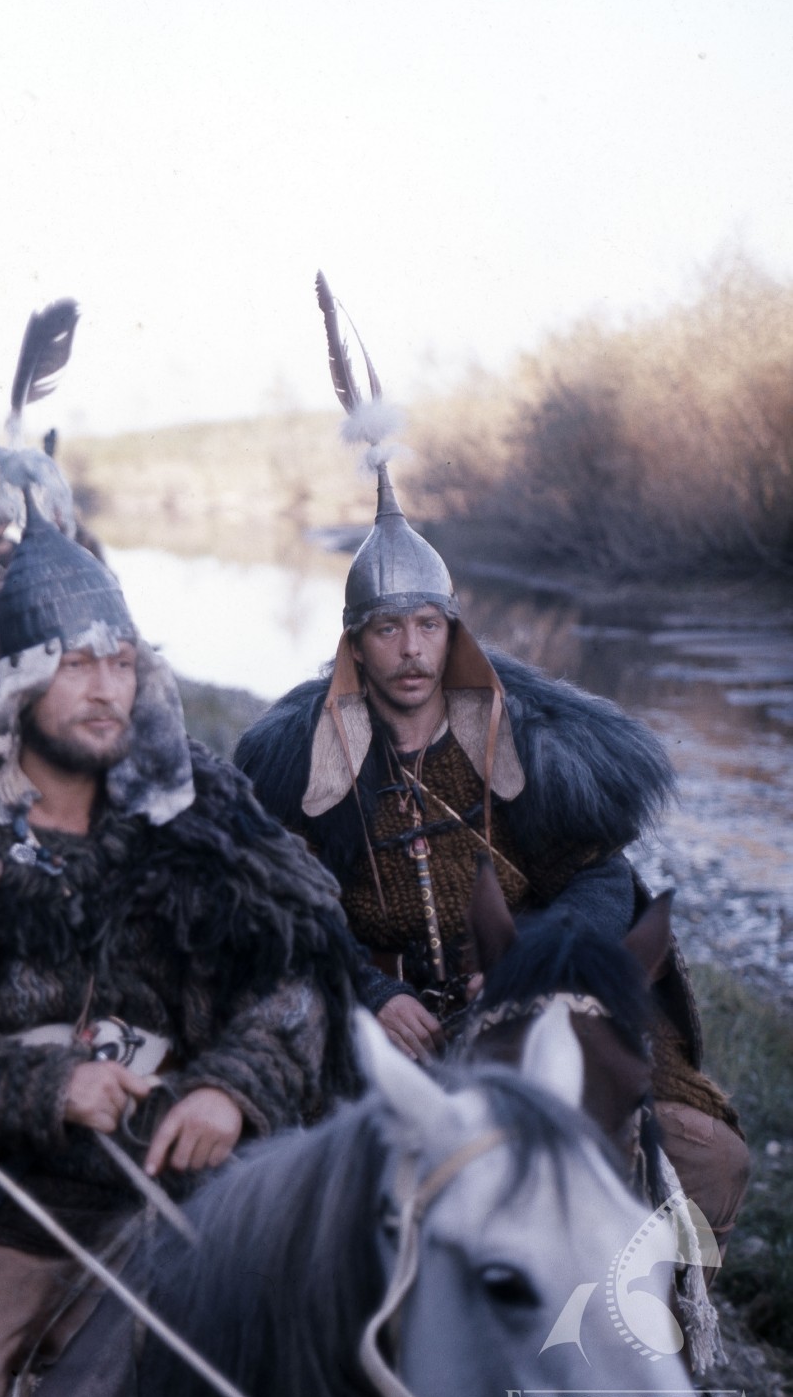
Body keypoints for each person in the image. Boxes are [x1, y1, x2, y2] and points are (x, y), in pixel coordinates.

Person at [0, 449, 359, 1397]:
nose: (106, 690)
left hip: (204, 1190)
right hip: (23, 1200)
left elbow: (298, 972)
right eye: (77, 664)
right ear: (20, 682)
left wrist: (228, 1090)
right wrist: (50, 1085)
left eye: (122, 662)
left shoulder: (201, 814)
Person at [234, 286, 747, 1242]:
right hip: (376, 1027)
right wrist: (371, 992)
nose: (412, 651)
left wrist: (528, 962)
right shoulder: (306, 764)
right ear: (356, 645)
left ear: (452, 631)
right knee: (340, 1202)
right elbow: (285, 906)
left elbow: (603, 878)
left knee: (702, 1153)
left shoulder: (526, 741)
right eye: (388, 630)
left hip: (537, 1002)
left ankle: (642, 1308)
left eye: (428, 626)